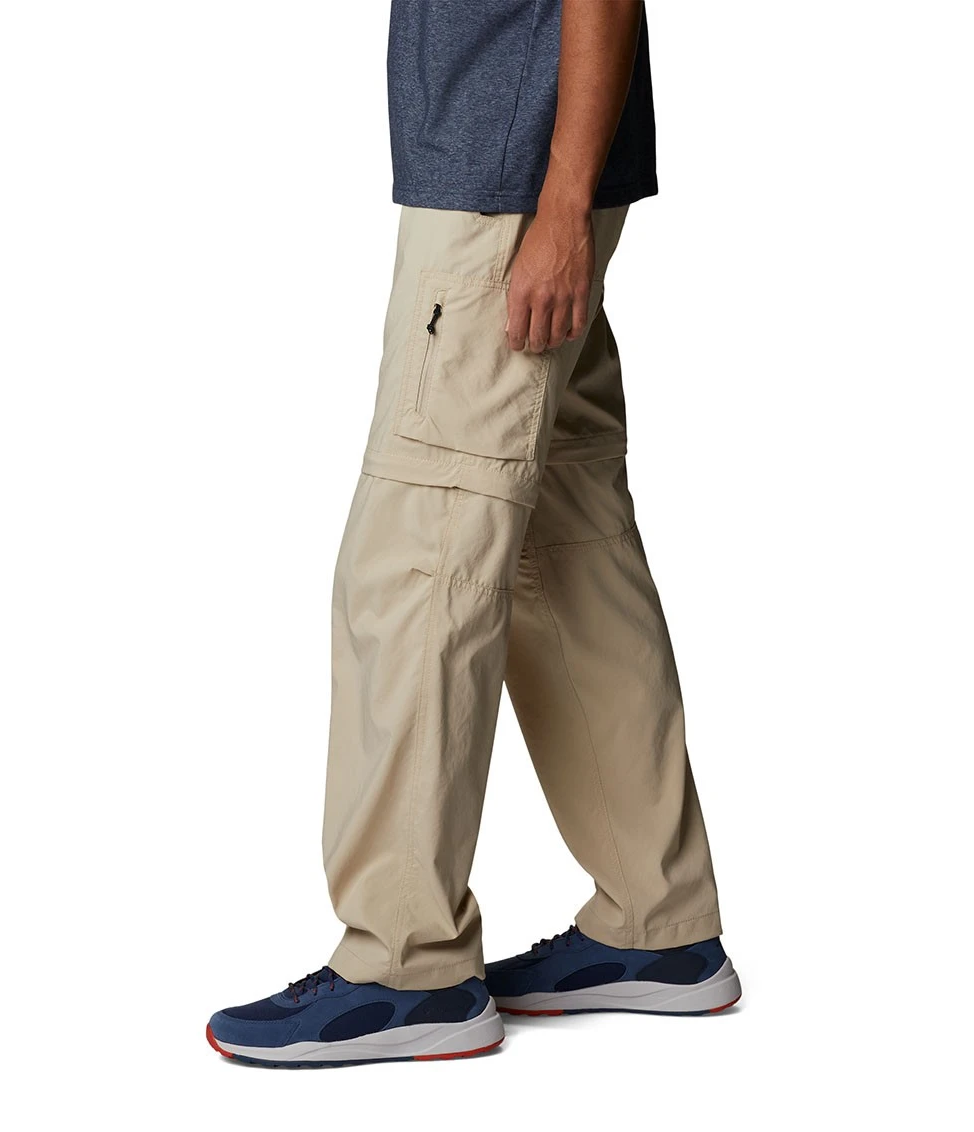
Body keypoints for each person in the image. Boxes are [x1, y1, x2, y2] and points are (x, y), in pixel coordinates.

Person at [207, 0, 740, 1068]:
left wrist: (561, 208)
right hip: (518, 184)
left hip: (508, 203)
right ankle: (658, 918)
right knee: (566, 551)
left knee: (418, 563)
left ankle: (405, 964)